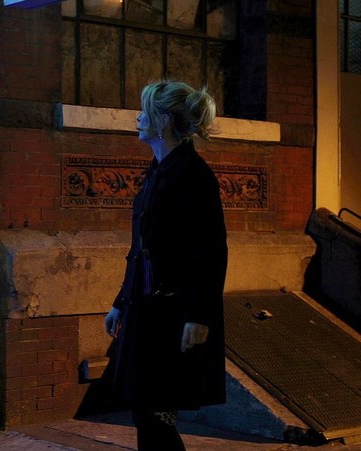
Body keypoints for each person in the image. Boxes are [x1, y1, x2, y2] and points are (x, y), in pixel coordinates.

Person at [103, 80, 228, 450]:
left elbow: (210, 252)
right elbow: (141, 250)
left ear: (164, 121)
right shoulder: (157, 172)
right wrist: (120, 301)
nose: (138, 118)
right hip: (146, 311)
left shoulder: (194, 176)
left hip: (171, 315)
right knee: (145, 410)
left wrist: (198, 316)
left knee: (155, 414)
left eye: (145, 112)